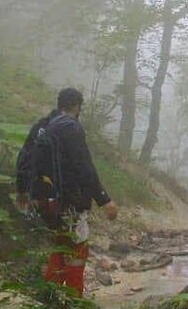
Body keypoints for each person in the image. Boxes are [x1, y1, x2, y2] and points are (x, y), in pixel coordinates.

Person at [15, 88, 118, 297]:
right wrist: (104, 199)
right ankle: (74, 303)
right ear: (77, 106)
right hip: (68, 201)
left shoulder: (43, 126)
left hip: (44, 201)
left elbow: (24, 157)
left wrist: (23, 190)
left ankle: (50, 297)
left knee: (61, 245)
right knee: (78, 249)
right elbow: (83, 166)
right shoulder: (70, 127)